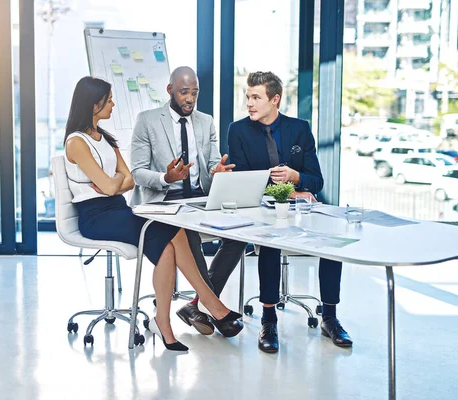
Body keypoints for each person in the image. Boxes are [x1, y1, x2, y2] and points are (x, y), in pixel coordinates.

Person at [63, 76, 242, 352]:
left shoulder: (105, 137)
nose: (113, 103)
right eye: (108, 99)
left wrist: (113, 184)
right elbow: (116, 182)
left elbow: (127, 181)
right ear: (94, 103)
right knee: (170, 231)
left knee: (170, 239)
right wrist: (114, 183)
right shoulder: (76, 142)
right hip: (95, 217)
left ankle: (166, 321)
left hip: (119, 209)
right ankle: (209, 305)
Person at [228, 71, 353, 353]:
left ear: (275, 100)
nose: (249, 103)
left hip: (302, 209)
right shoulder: (238, 131)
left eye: (256, 97)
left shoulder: (299, 128)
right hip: (263, 210)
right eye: (248, 97)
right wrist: (281, 192)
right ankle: (269, 319)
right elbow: (243, 182)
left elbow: (316, 181)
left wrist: (296, 177)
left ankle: (330, 318)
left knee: (332, 242)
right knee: (270, 243)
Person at [130, 66, 246, 338]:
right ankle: (213, 306)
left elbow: (213, 162)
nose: (190, 99)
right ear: (170, 90)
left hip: (199, 198)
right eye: (184, 92)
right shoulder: (147, 120)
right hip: (163, 201)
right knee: (185, 230)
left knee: (239, 235)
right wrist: (166, 177)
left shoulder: (206, 122)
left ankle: (195, 304)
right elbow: (137, 171)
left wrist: (217, 171)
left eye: (194, 93)